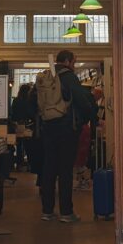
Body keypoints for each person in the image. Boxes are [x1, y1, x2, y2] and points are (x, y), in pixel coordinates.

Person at [37, 50, 97, 223]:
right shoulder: (69, 77)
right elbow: (82, 101)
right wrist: (89, 118)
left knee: (49, 168)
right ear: (68, 61)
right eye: (74, 61)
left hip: (48, 128)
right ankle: (66, 212)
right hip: (66, 129)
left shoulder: (48, 75)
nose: (75, 64)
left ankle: (47, 210)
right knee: (65, 170)